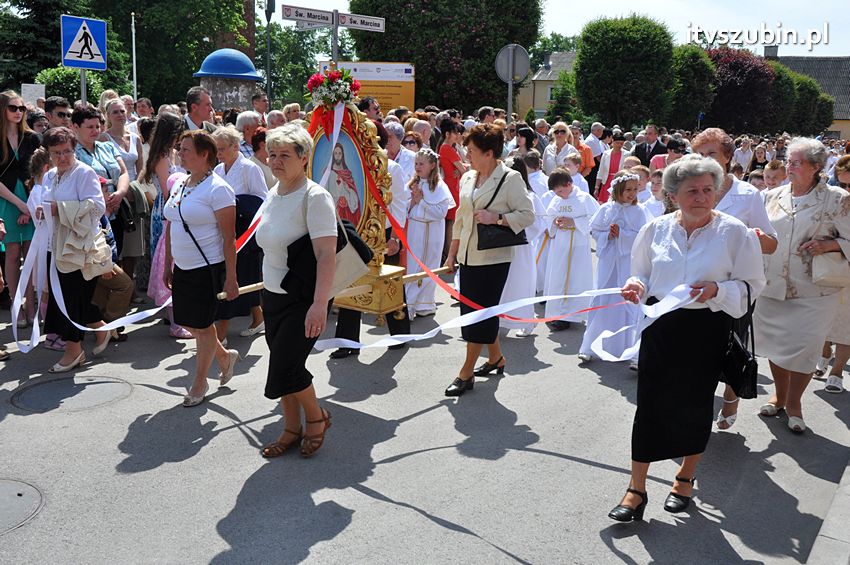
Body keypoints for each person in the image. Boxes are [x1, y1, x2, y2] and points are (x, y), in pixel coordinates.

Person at [608, 154, 765, 523]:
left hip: (706, 329)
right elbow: (641, 273)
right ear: (674, 195)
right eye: (692, 190)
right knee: (650, 405)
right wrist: (635, 285)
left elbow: (751, 286)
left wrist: (717, 290)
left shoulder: (735, 232)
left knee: (695, 405)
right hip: (661, 327)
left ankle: (684, 479)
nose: (702, 196)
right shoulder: (656, 229)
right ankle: (636, 489)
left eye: (708, 189)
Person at [754, 138, 850, 433]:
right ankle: (779, 397)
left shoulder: (837, 198)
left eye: (797, 162)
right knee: (777, 346)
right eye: (789, 161)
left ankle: (794, 403)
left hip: (814, 289)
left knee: (805, 348)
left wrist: (831, 243)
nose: (790, 167)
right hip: (771, 286)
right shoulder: (772, 196)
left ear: (816, 167)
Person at [255, 124, 336, 458]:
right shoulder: (274, 192)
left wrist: (319, 305)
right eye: (272, 154)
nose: (275, 161)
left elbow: (325, 255)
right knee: (282, 363)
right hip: (271, 295)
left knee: (288, 365)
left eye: (285, 155)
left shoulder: (315, 197)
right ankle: (291, 428)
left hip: (302, 298)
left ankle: (316, 419)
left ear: (303, 158)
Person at [691, 127, 778, 429]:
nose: (704, 160)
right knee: (696, 351)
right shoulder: (689, 188)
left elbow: (771, 241)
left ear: (728, 157)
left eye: (711, 153)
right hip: (695, 287)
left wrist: (749, 237)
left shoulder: (747, 194)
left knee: (731, 348)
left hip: (735, 289)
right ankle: (697, 405)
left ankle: (730, 398)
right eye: (699, 154)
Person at [443, 123, 535, 396]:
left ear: (489, 153)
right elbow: (461, 218)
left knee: (478, 315)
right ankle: (495, 358)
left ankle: (466, 372)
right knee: (475, 311)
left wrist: (496, 218)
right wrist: (452, 253)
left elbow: (527, 214)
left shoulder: (509, 179)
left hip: (494, 258)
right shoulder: (468, 178)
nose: (466, 154)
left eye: (472, 150)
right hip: (468, 256)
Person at [162, 130, 239, 407]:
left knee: (203, 327)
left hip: (207, 268)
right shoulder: (181, 183)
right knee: (190, 322)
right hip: (183, 266)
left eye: (185, 149)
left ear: (204, 154)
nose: (180, 153)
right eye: (179, 148)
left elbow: (229, 239)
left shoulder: (219, 189)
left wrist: (232, 278)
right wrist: (168, 262)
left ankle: (200, 381)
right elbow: (172, 223)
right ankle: (223, 356)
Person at [39, 127, 113, 372]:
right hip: (54, 244)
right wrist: (40, 211)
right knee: (64, 296)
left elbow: (96, 208)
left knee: (72, 298)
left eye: (67, 151)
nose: (62, 157)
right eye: (56, 153)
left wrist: (59, 209)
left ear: (74, 150)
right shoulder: (49, 176)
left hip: (79, 247)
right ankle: (101, 328)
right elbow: (43, 203)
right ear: (48, 154)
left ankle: (74, 351)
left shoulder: (84, 172)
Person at [579, 171, 648, 365]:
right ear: (618, 189)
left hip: (627, 265)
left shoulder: (640, 211)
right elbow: (595, 230)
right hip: (608, 263)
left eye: (635, 189)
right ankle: (590, 345)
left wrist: (623, 235)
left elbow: (642, 238)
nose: (632, 193)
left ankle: (629, 349)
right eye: (628, 189)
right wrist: (607, 236)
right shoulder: (606, 209)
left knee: (626, 303)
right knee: (603, 298)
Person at [211, 125, 267, 340]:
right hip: (223, 230)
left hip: (244, 232)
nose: (219, 154)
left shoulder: (249, 168)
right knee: (241, 278)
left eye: (222, 148)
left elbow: (262, 200)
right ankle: (258, 317)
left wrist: (236, 203)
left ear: (235, 147)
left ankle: (221, 331)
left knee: (237, 277)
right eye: (217, 149)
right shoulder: (217, 170)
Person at [144, 113, 191, 339]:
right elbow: (166, 189)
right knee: (168, 260)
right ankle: (173, 317)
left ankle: (174, 314)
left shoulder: (172, 154)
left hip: (175, 206)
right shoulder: (162, 157)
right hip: (168, 210)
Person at [542, 168, 599, 331]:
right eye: (556, 192)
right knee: (558, 277)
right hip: (560, 244)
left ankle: (574, 314)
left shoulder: (584, 199)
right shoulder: (556, 199)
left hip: (577, 245)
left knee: (576, 278)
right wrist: (555, 222)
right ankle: (557, 313)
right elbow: (550, 216)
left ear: (569, 184)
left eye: (561, 191)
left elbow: (595, 218)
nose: (559, 195)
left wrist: (574, 223)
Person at [0, 90, 39, 328]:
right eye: (13, 108)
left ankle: (32, 304)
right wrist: (20, 205)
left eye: (21, 108)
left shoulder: (32, 138)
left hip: (32, 198)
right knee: (13, 254)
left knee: (32, 255)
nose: (18, 112)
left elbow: (40, 174)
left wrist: (30, 205)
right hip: (7, 200)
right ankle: (17, 306)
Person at [499, 157, 547, 337]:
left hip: (521, 246)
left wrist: (521, 230)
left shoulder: (530, 196)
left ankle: (526, 321)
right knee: (505, 283)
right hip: (503, 245)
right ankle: (503, 318)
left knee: (521, 282)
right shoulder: (503, 195)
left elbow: (539, 221)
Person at [404, 148, 455, 317]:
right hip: (415, 230)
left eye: (421, 164)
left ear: (432, 166)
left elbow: (441, 212)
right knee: (413, 266)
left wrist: (422, 202)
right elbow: (404, 208)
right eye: (416, 163)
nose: (418, 167)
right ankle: (410, 303)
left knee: (429, 265)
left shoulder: (440, 187)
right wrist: (413, 200)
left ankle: (423, 304)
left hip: (433, 232)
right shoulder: (411, 185)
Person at [101, 98, 146, 284]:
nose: (120, 115)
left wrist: (135, 186)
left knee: (134, 245)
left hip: (134, 194)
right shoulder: (103, 138)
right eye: (115, 112)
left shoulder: (135, 138)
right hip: (115, 196)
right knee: (117, 243)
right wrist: (120, 190)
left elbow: (142, 166)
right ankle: (118, 288)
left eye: (122, 111)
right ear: (108, 116)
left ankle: (131, 287)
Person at [816, 156, 850, 393]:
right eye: (843, 184)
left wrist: (834, 245)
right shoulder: (833, 200)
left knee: (847, 324)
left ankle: (837, 371)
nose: (847, 191)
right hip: (829, 269)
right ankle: (824, 350)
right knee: (825, 316)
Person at [595, 131, 627, 203]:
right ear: (612, 141)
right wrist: (596, 187)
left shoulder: (627, 154)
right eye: (617, 143)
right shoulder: (606, 154)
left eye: (621, 143)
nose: (619, 145)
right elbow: (601, 171)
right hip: (606, 182)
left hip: (620, 182)